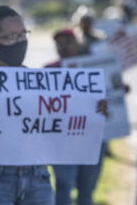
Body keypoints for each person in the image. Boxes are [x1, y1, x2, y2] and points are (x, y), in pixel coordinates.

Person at [0, 5, 54, 205]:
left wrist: (93, 109)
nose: (20, 41)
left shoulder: (41, 81)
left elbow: (60, 122)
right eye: (10, 37)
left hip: (38, 176)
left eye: (23, 34)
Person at [47, 28, 108, 205]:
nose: (63, 47)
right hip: (62, 142)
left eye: (67, 42)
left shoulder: (93, 67)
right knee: (64, 185)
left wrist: (115, 90)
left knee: (86, 190)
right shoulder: (48, 70)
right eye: (59, 44)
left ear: (77, 44)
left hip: (92, 139)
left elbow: (110, 91)